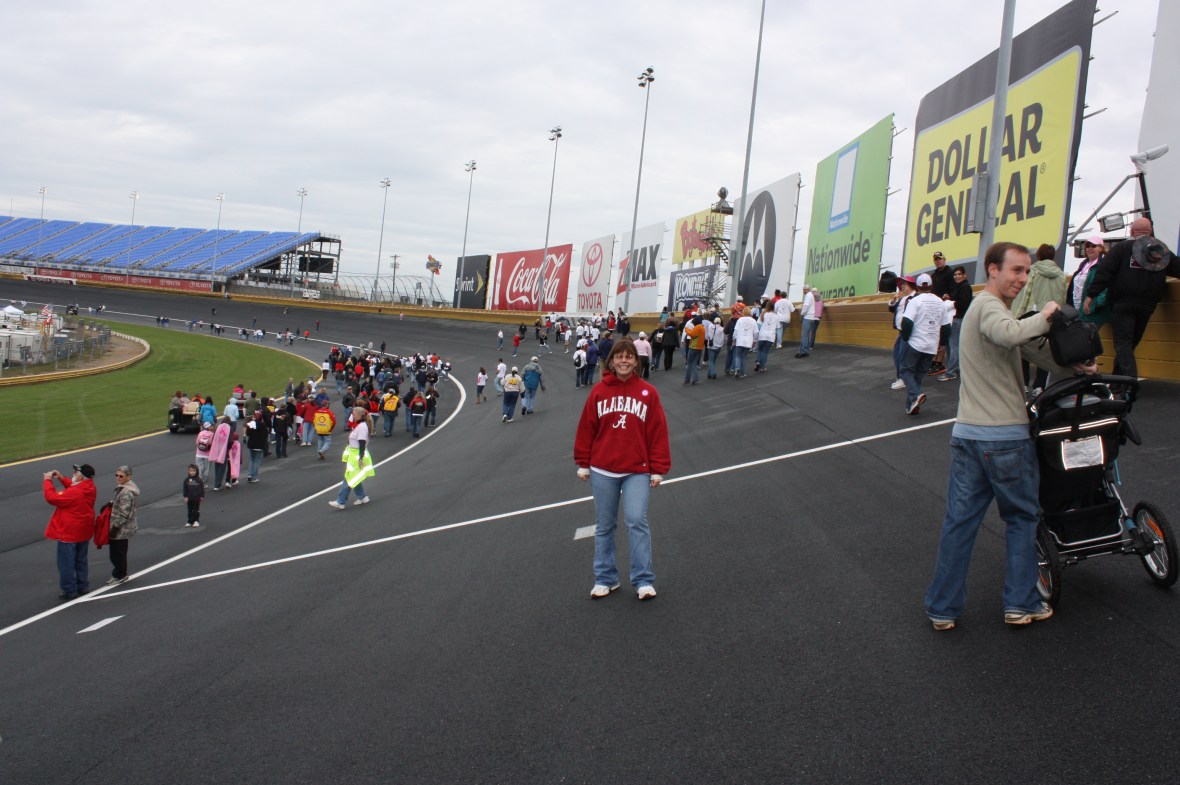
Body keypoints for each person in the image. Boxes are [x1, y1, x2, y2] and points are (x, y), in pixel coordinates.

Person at [924, 242, 1096, 630]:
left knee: (960, 523)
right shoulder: (988, 306)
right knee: (1021, 518)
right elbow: (1009, 335)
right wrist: (1049, 313)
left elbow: (1026, 347)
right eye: (1016, 270)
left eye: (1026, 272)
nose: (1023, 278)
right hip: (1003, 438)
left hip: (969, 435)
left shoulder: (990, 311)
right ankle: (1020, 603)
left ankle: (942, 609)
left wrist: (1075, 365)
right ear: (992, 270)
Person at [574, 339, 671, 601]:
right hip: (603, 469)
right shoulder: (598, 391)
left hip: (636, 471)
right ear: (612, 361)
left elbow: (657, 432)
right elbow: (587, 429)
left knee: (637, 521)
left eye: (629, 357)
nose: (624, 361)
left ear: (636, 361)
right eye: (619, 357)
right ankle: (606, 579)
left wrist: (658, 468)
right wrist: (583, 463)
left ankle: (643, 580)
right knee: (604, 526)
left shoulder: (648, 392)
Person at [1085, 216, 1180, 381]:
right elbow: (1177, 267)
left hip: (1123, 304)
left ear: (1131, 231)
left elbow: (1104, 272)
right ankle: (1117, 382)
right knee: (1130, 345)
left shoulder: (1121, 248)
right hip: (1147, 305)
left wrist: (1091, 295)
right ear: (1150, 233)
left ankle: (1129, 382)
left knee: (1123, 344)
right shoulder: (1161, 251)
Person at [1011, 243, 1067, 395]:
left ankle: (1023, 384)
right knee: (1046, 349)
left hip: (1032, 314)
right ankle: (1039, 386)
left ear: (1039, 256)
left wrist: (1016, 314)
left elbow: (1026, 294)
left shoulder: (1033, 271)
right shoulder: (1060, 274)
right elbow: (1062, 297)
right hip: (1051, 317)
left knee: (1024, 349)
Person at [899, 273, 952, 415]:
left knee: (905, 370)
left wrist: (905, 338)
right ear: (931, 286)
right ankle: (911, 406)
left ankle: (916, 395)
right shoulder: (940, 302)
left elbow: (907, 322)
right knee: (919, 374)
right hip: (931, 345)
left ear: (917, 286)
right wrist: (942, 343)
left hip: (916, 342)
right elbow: (946, 327)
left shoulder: (915, 301)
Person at [44, 463, 97, 600]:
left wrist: (48, 481)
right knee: (81, 560)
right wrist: (62, 478)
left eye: (76, 473)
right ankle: (83, 585)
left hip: (69, 533)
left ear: (81, 476)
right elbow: (74, 489)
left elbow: (52, 498)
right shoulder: (90, 487)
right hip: (83, 531)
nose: (74, 474)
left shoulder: (75, 492)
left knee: (66, 563)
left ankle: (69, 589)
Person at [330, 407, 375, 508]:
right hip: (354, 454)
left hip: (357, 455)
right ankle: (362, 496)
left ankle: (340, 501)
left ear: (360, 415)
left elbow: (362, 442)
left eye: (354, 414)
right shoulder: (360, 425)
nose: (352, 416)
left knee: (349, 477)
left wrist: (360, 458)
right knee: (354, 477)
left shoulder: (362, 427)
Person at [939, 265, 975, 382]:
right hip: (954, 319)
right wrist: (949, 298)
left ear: (964, 275)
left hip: (959, 319)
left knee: (954, 346)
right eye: (955, 274)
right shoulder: (959, 287)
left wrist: (951, 303)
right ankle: (956, 369)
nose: (957, 276)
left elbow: (963, 303)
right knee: (950, 345)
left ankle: (950, 372)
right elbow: (957, 300)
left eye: (959, 274)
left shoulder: (965, 287)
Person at [106, 465, 139, 586]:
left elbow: (124, 513)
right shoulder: (123, 488)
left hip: (121, 528)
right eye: (117, 475)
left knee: (117, 553)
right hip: (122, 527)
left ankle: (119, 575)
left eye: (121, 476)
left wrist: (114, 528)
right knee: (119, 552)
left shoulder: (125, 492)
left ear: (128, 477)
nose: (118, 478)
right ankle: (120, 573)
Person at [1067, 236, 1111, 327]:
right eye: (1088, 246)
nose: (1090, 248)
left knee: (1086, 339)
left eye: (1093, 246)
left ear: (1100, 248)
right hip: (1078, 310)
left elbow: (1105, 286)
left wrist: (1096, 306)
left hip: (1092, 313)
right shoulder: (1083, 264)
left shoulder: (1104, 264)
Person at [888, 276, 917, 390]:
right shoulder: (902, 298)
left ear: (911, 284)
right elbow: (892, 309)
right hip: (901, 331)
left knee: (903, 356)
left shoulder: (916, 297)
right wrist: (893, 300)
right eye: (901, 284)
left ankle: (904, 379)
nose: (902, 286)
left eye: (905, 284)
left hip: (909, 331)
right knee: (897, 354)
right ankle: (901, 377)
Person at [731, 307, 758, 378]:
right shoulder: (753, 321)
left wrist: (734, 339)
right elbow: (756, 333)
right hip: (748, 341)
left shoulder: (740, 320)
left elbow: (736, 331)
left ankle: (737, 368)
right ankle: (742, 373)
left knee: (738, 355)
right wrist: (754, 341)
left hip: (740, 340)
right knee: (744, 356)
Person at [244, 410, 267, 483]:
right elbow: (265, 435)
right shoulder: (263, 425)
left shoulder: (251, 424)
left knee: (252, 460)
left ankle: (250, 475)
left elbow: (248, 433)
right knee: (257, 461)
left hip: (252, 444)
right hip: (259, 445)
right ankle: (254, 476)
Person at [682, 316, 705, 385]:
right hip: (699, 348)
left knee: (689, 364)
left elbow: (691, 334)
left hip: (693, 347)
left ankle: (687, 380)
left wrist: (686, 329)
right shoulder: (702, 328)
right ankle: (695, 379)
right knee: (694, 364)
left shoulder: (698, 327)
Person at [754, 308, 779, 372]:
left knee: (759, 349)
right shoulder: (776, 316)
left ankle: (758, 362)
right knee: (765, 352)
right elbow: (778, 327)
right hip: (770, 336)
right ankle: (762, 367)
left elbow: (758, 325)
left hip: (762, 335)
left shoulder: (763, 314)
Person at [796, 288, 818, 357]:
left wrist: (802, 314)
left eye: (805, 289)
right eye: (803, 289)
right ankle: (802, 350)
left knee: (804, 336)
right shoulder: (812, 296)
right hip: (811, 317)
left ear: (808, 290)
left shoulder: (808, 296)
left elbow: (806, 306)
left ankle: (804, 351)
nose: (804, 291)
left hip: (807, 317)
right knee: (805, 335)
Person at [183, 464, 204, 528]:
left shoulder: (199, 480)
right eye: (191, 471)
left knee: (196, 510)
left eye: (193, 471)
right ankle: (190, 521)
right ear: (188, 471)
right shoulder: (186, 480)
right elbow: (185, 488)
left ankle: (196, 521)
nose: (192, 472)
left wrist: (202, 497)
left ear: (196, 471)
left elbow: (202, 489)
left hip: (197, 498)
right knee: (189, 510)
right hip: (189, 498)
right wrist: (185, 496)